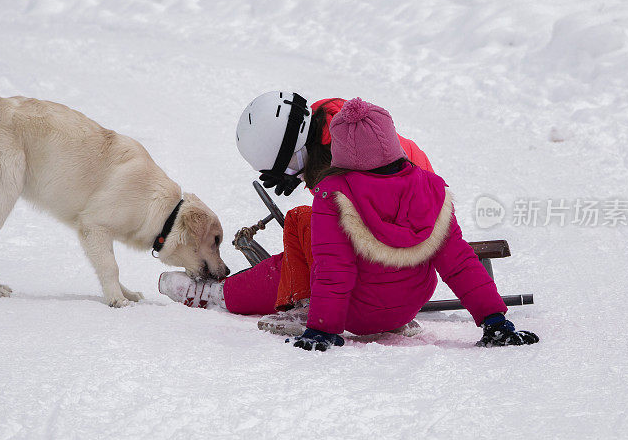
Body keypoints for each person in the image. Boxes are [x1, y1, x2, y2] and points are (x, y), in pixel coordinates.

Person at [159, 93, 539, 349]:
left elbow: (334, 270)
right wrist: (494, 320)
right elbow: (453, 258)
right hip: (411, 286)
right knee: (305, 245)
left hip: (359, 299)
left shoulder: (333, 191)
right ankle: (277, 295)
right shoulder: (422, 179)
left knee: (294, 239)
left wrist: (321, 327)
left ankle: (223, 296)